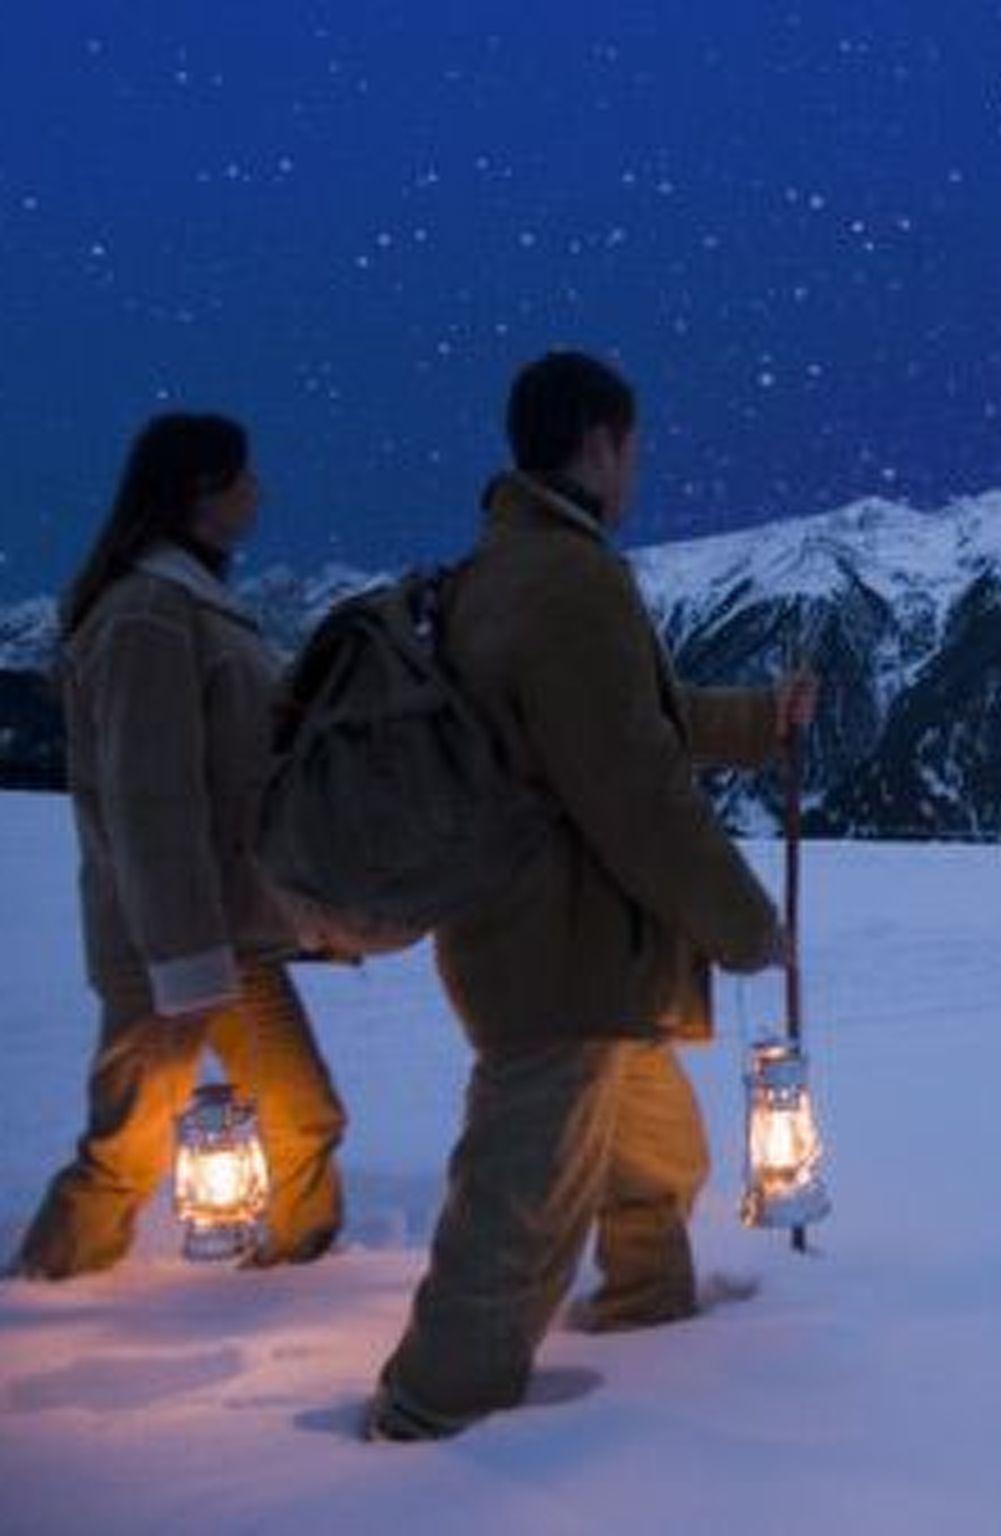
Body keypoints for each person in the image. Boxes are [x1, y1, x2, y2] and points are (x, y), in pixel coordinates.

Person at [365, 351, 816, 1442]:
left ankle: (652, 1323)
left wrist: (760, 721)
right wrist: (746, 925)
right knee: (519, 1210)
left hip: (574, 952)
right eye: (637, 444)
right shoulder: (566, 581)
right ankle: (427, 1423)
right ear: (602, 442)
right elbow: (633, 791)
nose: (641, 466)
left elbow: (617, 724)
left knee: (654, 1160)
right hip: (557, 957)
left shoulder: (516, 565)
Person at [9, 413, 347, 1279]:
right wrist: (185, 960)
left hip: (226, 931)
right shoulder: (147, 614)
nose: (258, 493)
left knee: (304, 1118)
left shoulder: (192, 605)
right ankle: (43, 1292)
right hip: (168, 941)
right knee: (127, 1144)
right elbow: (148, 797)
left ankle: (300, 1280)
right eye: (244, 478)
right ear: (199, 490)